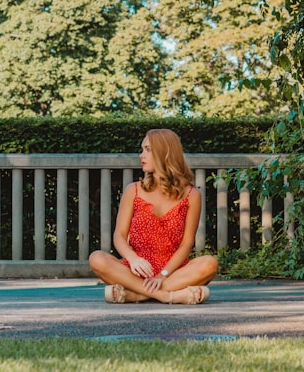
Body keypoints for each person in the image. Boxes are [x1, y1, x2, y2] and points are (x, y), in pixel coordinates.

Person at [89, 129, 218, 304]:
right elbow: (119, 236)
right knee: (97, 258)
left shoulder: (192, 195)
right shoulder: (132, 190)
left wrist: (162, 275)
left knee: (209, 264)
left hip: (172, 271)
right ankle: (168, 296)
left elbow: (187, 243)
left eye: (148, 150)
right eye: (142, 149)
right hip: (136, 270)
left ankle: (135, 294)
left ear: (165, 153)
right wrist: (133, 259)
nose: (141, 155)